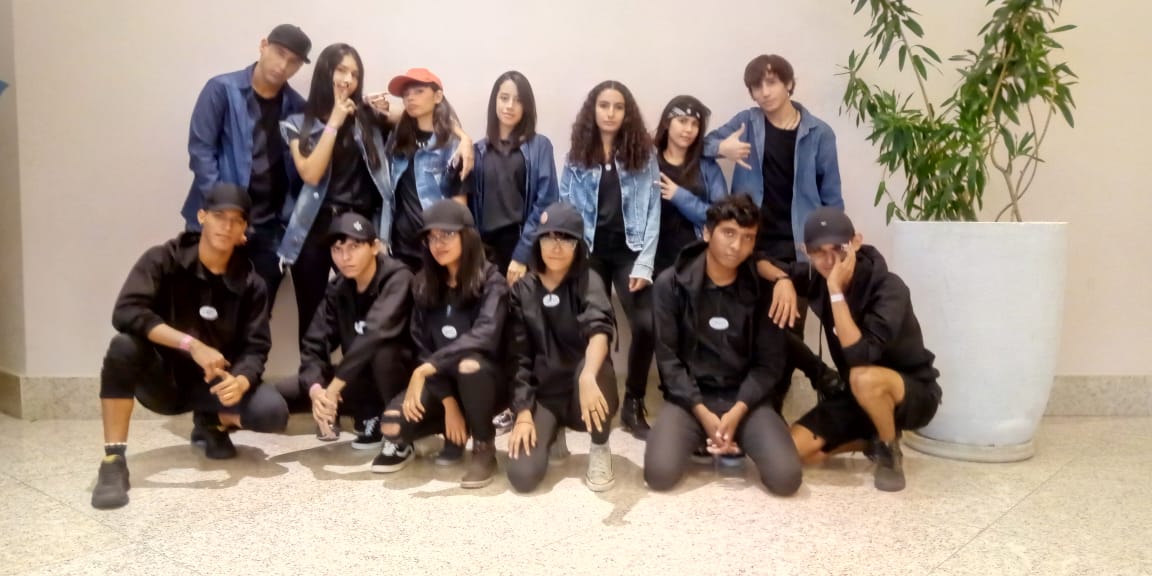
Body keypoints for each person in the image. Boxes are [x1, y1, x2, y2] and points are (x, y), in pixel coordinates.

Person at [92, 185, 287, 510]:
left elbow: (256, 348)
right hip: (163, 381)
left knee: (272, 412)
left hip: (212, 386)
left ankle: (211, 423)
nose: (227, 226)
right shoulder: (162, 259)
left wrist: (241, 381)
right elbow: (126, 311)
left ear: (243, 231)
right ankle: (113, 460)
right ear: (202, 217)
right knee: (123, 347)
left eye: (236, 220)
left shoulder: (252, 284)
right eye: (219, 216)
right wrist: (191, 344)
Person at [704, 54, 846, 412]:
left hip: (800, 247)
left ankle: (774, 410)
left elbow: (832, 196)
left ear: (789, 84)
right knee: (756, 324)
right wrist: (722, 148)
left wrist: (832, 246)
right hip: (752, 245)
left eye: (771, 83)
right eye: (756, 86)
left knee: (788, 325)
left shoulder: (818, 133)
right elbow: (698, 145)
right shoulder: (746, 123)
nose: (764, 93)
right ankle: (816, 375)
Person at [763, 207, 942, 492]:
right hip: (856, 395)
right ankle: (871, 439)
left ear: (856, 242)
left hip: (911, 392)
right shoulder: (815, 274)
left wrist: (835, 291)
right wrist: (782, 280)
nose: (830, 260)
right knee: (792, 451)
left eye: (838, 249)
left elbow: (859, 356)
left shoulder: (889, 288)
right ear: (805, 251)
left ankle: (889, 452)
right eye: (818, 252)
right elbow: (759, 262)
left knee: (863, 377)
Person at [644, 195, 801, 496]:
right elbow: (668, 361)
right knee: (659, 475)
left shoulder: (764, 289)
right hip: (691, 400)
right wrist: (702, 412)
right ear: (707, 233)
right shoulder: (670, 285)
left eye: (747, 237)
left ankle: (734, 434)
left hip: (745, 399)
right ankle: (704, 437)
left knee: (786, 479)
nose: (736, 246)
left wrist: (738, 411)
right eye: (728, 233)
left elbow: (768, 365)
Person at [372, 200, 508, 489]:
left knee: (470, 365)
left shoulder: (492, 280)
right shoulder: (423, 284)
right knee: (392, 425)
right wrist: (448, 403)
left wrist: (428, 368)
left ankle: (483, 446)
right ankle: (452, 432)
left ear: (466, 236)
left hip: (487, 382)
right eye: (431, 237)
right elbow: (422, 347)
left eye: (446, 235)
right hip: (443, 384)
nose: (438, 244)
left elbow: (485, 335)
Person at [180, 24, 311, 305]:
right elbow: (201, 152)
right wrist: (226, 216)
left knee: (256, 314)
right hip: (217, 224)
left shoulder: (297, 108)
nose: (283, 66)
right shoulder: (222, 90)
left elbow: (299, 172)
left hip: (268, 231)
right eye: (279, 53)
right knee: (201, 311)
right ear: (263, 46)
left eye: (293, 62)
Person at [559, 80, 660, 439]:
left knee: (647, 324)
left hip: (629, 251)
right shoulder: (576, 157)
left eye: (618, 107)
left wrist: (645, 264)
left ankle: (633, 402)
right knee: (592, 322)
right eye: (604, 105)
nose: (611, 113)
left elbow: (654, 211)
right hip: (589, 253)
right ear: (593, 109)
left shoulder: (643, 156)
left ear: (626, 113)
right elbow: (565, 206)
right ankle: (584, 398)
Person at [277, 43, 393, 351]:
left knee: (364, 312)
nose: (348, 80)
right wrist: (333, 123)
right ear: (325, 71)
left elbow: (416, 116)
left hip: (359, 227)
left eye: (355, 74)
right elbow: (311, 174)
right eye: (341, 70)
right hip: (316, 227)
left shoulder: (366, 118)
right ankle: (313, 377)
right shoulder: (297, 122)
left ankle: (357, 377)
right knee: (312, 315)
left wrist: (376, 107)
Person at [467, 71, 559, 435]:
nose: (509, 106)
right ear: (494, 102)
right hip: (485, 253)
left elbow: (546, 202)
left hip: (523, 250)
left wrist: (521, 255)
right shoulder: (477, 149)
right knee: (493, 327)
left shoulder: (539, 146)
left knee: (523, 328)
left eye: (518, 99)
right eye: (504, 98)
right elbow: (466, 202)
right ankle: (496, 401)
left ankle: (524, 404)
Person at [273, 212, 414, 448]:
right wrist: (318, 392)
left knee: (383, 354)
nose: (345, 257)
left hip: (403, 382)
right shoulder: (338, 288)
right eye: (337, 249)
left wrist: (334, 388)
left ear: (374, 247)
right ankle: (362, 411)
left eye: (354, 247)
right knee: (278, 394)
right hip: (357, 378)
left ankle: (391, 424)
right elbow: (313, 345)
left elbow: (374, 333)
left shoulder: (398, 278)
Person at [505, 203, 618, 493]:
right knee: (522, 476)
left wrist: (587, 375)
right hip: (544, 395)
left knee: (597, 369)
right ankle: (552, 432)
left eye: (566, 238)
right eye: (548, 237)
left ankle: (600, 447)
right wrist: (522, 412)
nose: (556, 247)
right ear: (537, 242)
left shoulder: (589, 280)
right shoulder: (522, 290)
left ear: (578, 245)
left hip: (582, 389)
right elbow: (518, 356)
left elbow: (600, 331)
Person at [384, 68, 473, 271]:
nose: (410, 98)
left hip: (436, 247)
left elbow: (459, 208)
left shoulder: (454, 146)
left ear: (438, 96)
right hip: (399, 248)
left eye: (419, 91)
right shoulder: (398, 141)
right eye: (406, 94)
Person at [652, 95, 729, 274]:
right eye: (682, 121)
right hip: (655, 262)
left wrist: (680, 196)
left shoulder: (707, 167)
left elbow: (722, 216)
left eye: (695, 124)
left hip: (697, 261)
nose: (689, 129)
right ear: (667, 122)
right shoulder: (649, 165)